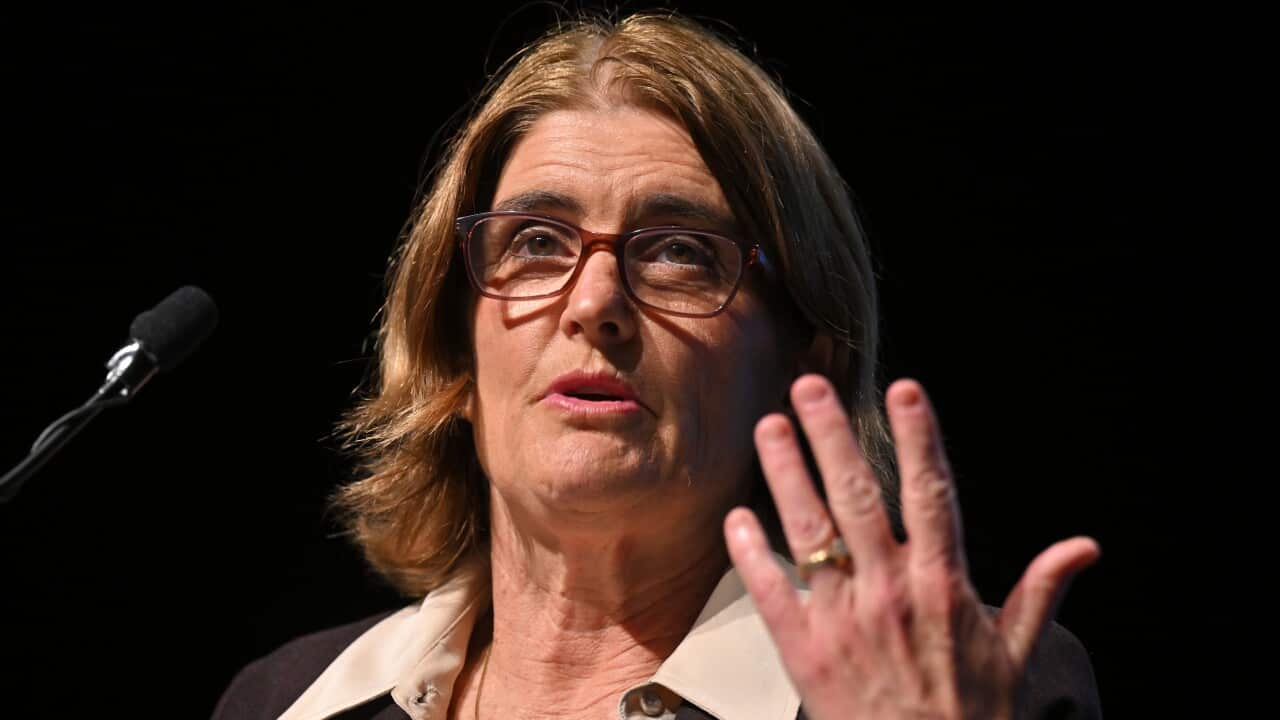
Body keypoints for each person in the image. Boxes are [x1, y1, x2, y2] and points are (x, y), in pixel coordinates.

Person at [213, 12, 1102, 720]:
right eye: (536, 242)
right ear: (455, 355)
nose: (595, 301)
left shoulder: (959, 684)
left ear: (804, 367)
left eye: (680, 252)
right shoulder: (284, 700)